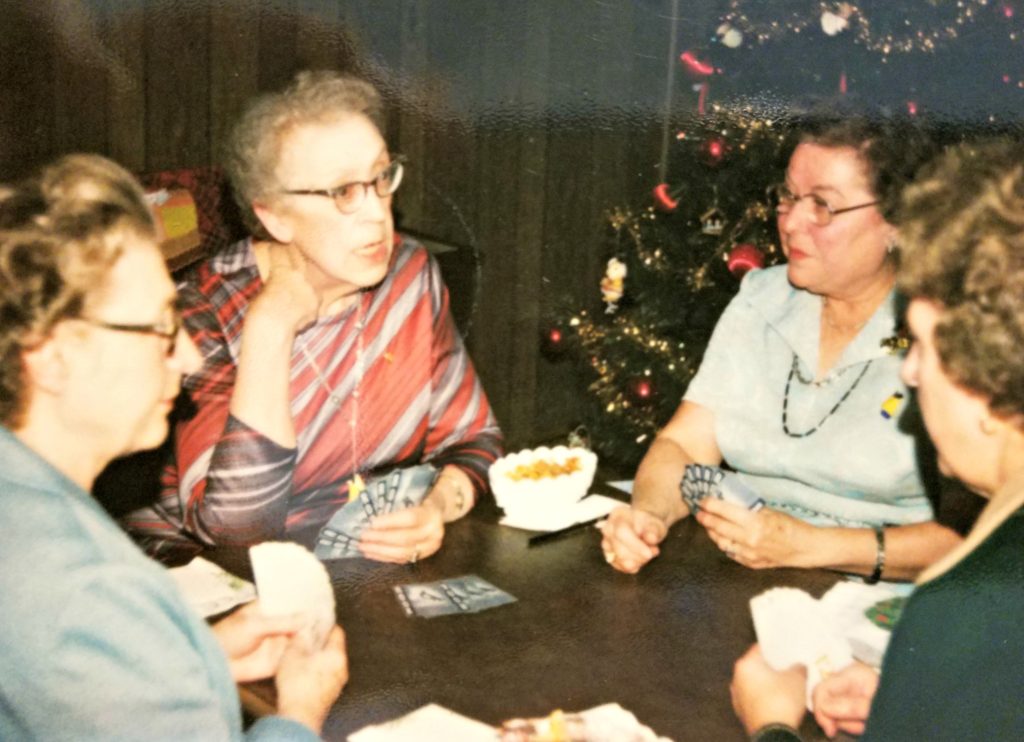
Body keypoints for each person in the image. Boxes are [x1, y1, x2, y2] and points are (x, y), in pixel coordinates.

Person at [0, 154, 348, 739]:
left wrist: (193, 659)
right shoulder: (95, 594)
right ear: (53, 358)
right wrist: (298, 717)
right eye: (161, 326)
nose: (188, 358)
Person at [124, 71, 503, 563]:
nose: (376, 214)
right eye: (343, 191)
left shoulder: (410, 276)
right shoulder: (202, 310)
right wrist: (270, 329)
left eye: (381, 177)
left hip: (349, 566)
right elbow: (237, 528)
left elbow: (474, 439)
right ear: (274, 217)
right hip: (205, 580)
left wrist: (434, 506)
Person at [731, 139, 1024, 741]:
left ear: (991, 387)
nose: (911, 372)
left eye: (921, 344)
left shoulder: (967, 607)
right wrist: (908, 689)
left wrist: (772, 724)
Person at [601, 115, 962, 579]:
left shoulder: (947, 328)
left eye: (824, 206)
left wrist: (809, 546)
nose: (790, 222)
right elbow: (684, 446)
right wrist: (648, 517)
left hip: (886, 602)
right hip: (749, 580)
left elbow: (983, 536)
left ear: (898, 222)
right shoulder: (762, 301)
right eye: (788, 197)